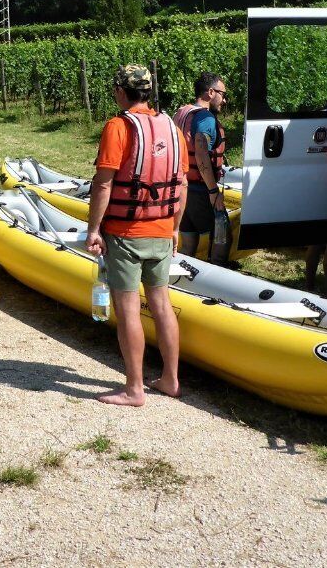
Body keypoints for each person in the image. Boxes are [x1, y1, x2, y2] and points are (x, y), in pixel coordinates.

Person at [85, 65, 188, 408]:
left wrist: (94, 229)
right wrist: (175, 227)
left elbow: (103, 183)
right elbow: (182, 184)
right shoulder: (172, 128)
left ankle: (134, 389)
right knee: (161, 304)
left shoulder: (118, 126)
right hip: (162, 230)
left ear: (120, 91)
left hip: (125, 233)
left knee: (128, 309)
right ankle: (171, 379)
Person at [173, 72, 228, 263]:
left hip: (181, 188)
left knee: (189, 242)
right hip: (200, 189)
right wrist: (213, 191)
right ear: (211, 92)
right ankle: (219, 270)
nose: (224, 100)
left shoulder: (181, 113)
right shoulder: (206, 118)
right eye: (222, 94)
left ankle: (185, 271)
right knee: (222, 231)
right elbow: (201, 152)